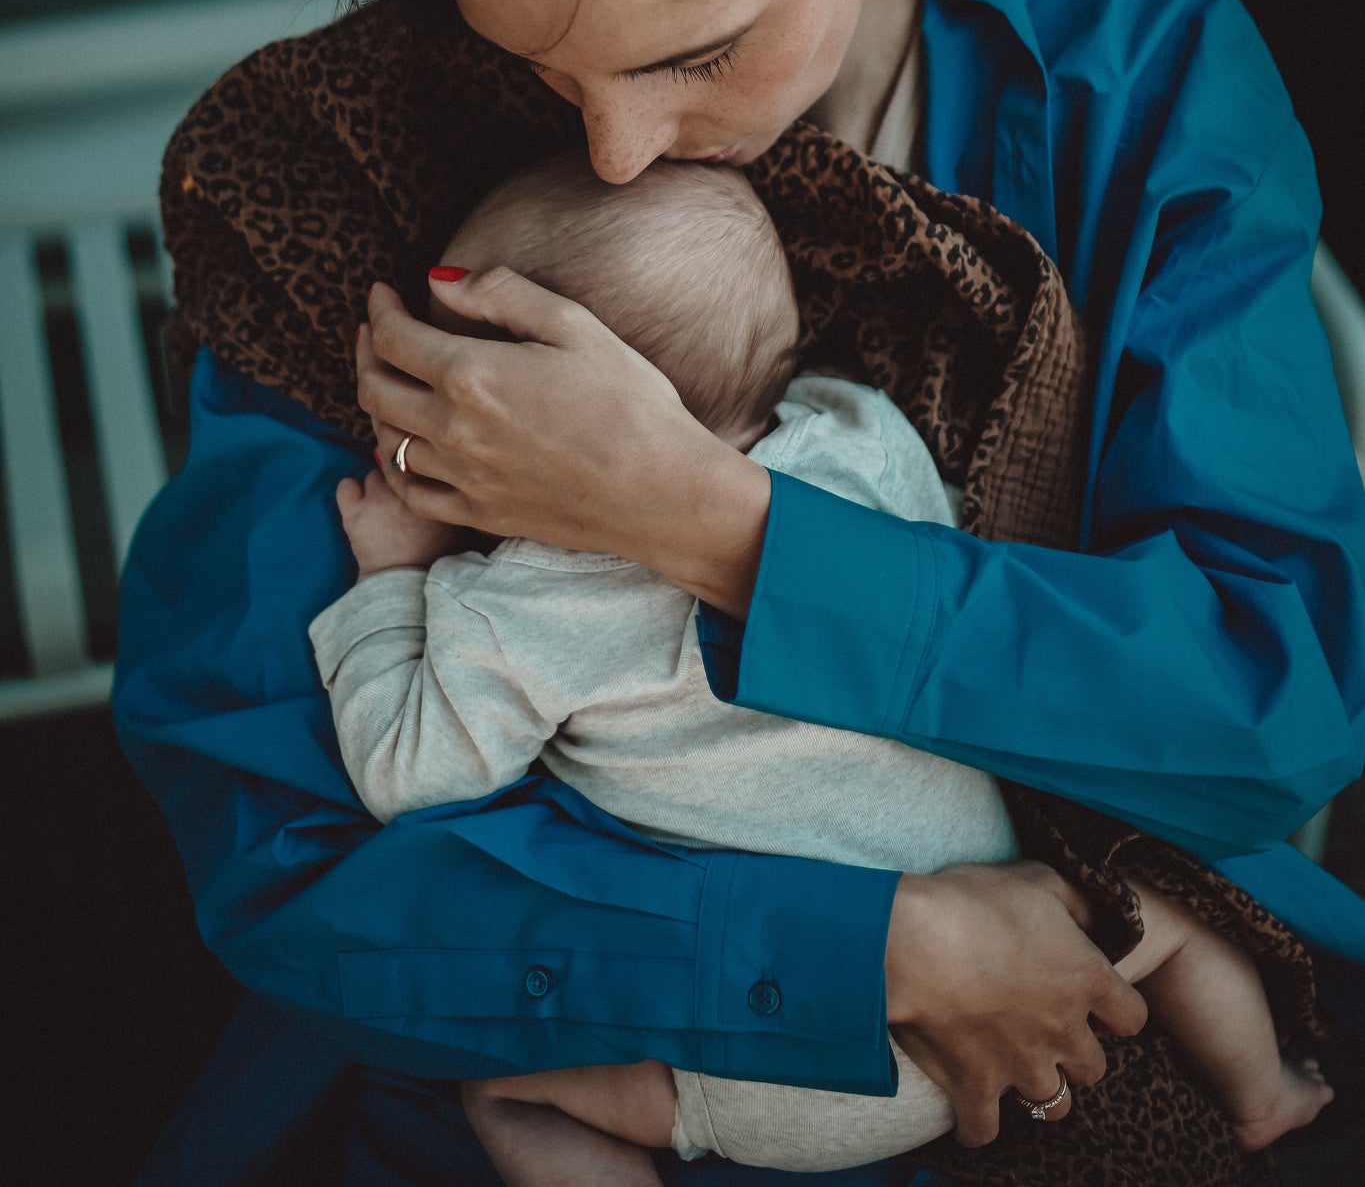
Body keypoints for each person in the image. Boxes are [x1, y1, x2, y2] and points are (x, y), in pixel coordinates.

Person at [115, 0, 1365, 1187]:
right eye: (547, 72)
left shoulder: (1128, 73)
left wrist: (711, 529)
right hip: (542, 1035)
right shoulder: (337, 170)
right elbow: (280, 847)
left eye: (699, 50)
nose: (621, 149)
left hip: (1092, 1000)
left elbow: (1266, 707)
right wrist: (871, 946)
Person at [311, 148, 1335, 1180]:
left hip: (777, 1063)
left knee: (509, 1096)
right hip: (1036, 952)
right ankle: (1264, 1096)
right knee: (1172, 903)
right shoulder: (860, 435)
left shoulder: (520, 605)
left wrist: (393, 584)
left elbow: (411, 774)